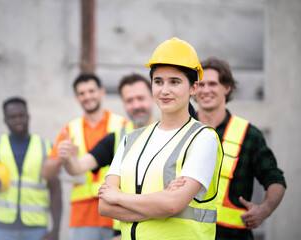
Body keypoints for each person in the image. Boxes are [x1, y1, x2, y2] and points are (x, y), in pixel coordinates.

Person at [98, 37, 224, 240]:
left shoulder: (203, 138)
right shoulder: (130, 139)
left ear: (193, 88)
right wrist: (159, 203)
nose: (165, 90)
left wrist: (119, 197)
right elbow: (104, 206)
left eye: (174, 82)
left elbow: (173, 204)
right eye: (158, 82)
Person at [52, 73, 156, 239]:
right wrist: (69, 158)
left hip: (163, 225)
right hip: (123, 227)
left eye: (140, 98)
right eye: (129, 100)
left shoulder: (172, 132)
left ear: (153, 97)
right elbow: (78, 167)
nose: (136, 105)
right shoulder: (118, 137)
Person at [195, 56, 286, 240]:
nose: (205, 90)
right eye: (201, 85)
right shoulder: (179, 130)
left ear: (227, 88)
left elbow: (275, 179)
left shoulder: (249, 135)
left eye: (212, 84)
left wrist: (265, 210)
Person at [0, 97, 61, 240]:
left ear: (28, 116)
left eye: (21, 115)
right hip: (3, 228)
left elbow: (55, 189)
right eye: (12, 117)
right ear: (5, 120)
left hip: (36, 228)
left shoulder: (45, 147)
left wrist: (56, 230)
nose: (17, 120)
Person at [42, 74, 126, 240]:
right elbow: (47, 173)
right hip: (82, 218)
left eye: (91, 91)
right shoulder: (70, 130)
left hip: (117, 215)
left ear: (102, 92)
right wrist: (63, 156)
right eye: (82, 93)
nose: (87, 96)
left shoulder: (122, 125)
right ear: (76, 98)